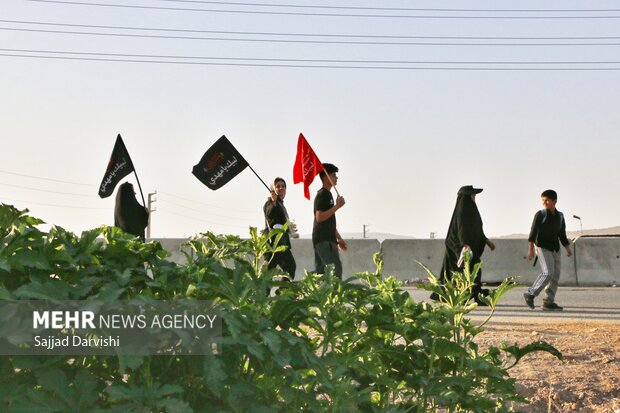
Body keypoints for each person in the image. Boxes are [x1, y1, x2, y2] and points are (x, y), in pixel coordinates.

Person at [434, 185, 496, 304]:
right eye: (472, 194)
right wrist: (465, 244)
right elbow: (462, 229)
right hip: (459, 247)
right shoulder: (463, 210)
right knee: (461, 273)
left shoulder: (471, 209)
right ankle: (460, 297)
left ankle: (476, 296)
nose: (475, 196)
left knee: (473, 271)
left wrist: (487, 241)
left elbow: (477, 229)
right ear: (466, 197)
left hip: (466, 246)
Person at [523, 189, 572, 311]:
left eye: (547, 200)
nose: (544, 202)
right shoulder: (540, 215)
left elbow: (562, 234)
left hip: (555, 248)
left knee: (555, 275)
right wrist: (530, 250)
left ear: (555, 201)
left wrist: (567, 248)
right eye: (542, 200)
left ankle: (548, 301)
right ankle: (530, 293)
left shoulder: (560, 216)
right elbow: (532, 234)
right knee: (548, 272)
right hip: (542, 247)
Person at [312, 163, 347, 278]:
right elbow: (319, 217)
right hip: (323, 240)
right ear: (326, 177)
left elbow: (329, 222)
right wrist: (337, 206)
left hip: (329, 240)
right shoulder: (322, 194)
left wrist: (339, 238)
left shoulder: (329, 195)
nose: (336, 178)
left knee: (325, 272)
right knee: (333, 270)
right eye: (333, 175)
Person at [263, 177, 297, 282]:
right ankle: (263, 296)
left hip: (282, 244)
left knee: (290, 267)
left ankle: (283, 293)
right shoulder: (269, 203)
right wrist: (273, 201)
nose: (281, 188)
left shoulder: (282, 205)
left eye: (283, 186)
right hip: (272, 243)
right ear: (273, 190)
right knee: (268, 274)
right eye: (278, 186)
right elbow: (269, 212)